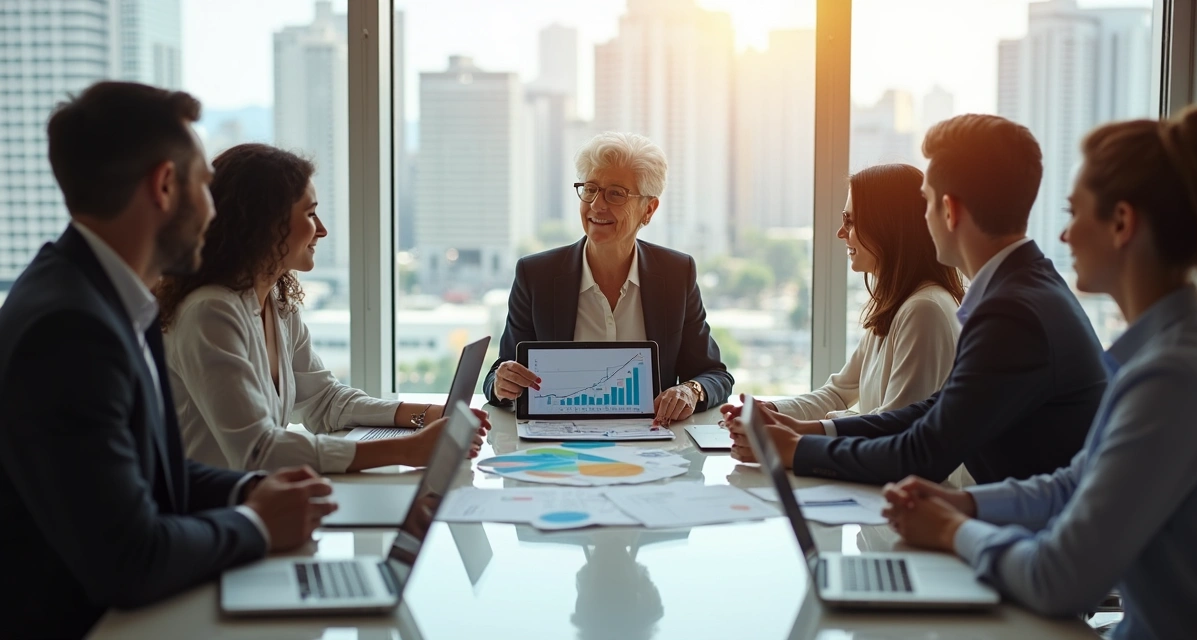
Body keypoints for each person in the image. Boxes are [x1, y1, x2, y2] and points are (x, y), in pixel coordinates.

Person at [0, 82, 336, 638]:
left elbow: (139, 472)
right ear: (164, 186)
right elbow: (129, 559)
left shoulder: (105, 296)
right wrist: (256, 525)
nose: (215, 209)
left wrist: (244, 491)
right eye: (206, 186)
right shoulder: (69, 329)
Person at [882, 105, 1197, 640]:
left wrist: (954, 531)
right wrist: (964, 502)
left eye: (1073, 211)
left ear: (1122, 223)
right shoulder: (1157, 356)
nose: (1063, 236)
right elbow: (1073, 486)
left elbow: (1060, 579)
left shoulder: (1173, 377)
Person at [729, 114, 1107, 486]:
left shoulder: (1012, 312)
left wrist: (797, 449)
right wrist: (808, 430)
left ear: (949, 210)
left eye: (925, 203)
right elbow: (933, 413)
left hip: (1024, 535)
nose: (921, 219)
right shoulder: (1024, 290)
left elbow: (922, 452)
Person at [156, 143, 488, 474]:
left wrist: (431, 413)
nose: (322, 230)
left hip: (260, 502)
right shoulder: (210, 312)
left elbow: (323, 402)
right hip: (211, 513)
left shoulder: (278, 304)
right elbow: (259, 450)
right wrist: (407, 449)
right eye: (310, 213)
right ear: (265, 223)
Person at [483, 131, 733, 424]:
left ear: (648, 209)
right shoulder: (536, 275)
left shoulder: (676, 274)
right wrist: (501, 384)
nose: (597, 205)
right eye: (590, 189)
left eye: (616, 193)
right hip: (560, 446)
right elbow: (500, 373)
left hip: (653, 446)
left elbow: (715, 375)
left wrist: (691, 390)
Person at [722, 164, 964, 432]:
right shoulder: (898, 306)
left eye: (849, 221)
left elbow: (896, 429)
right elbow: (837, 392)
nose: (840, 232)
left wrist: (808, 429)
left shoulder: (924, 311)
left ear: (886, 226)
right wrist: (771, 411)